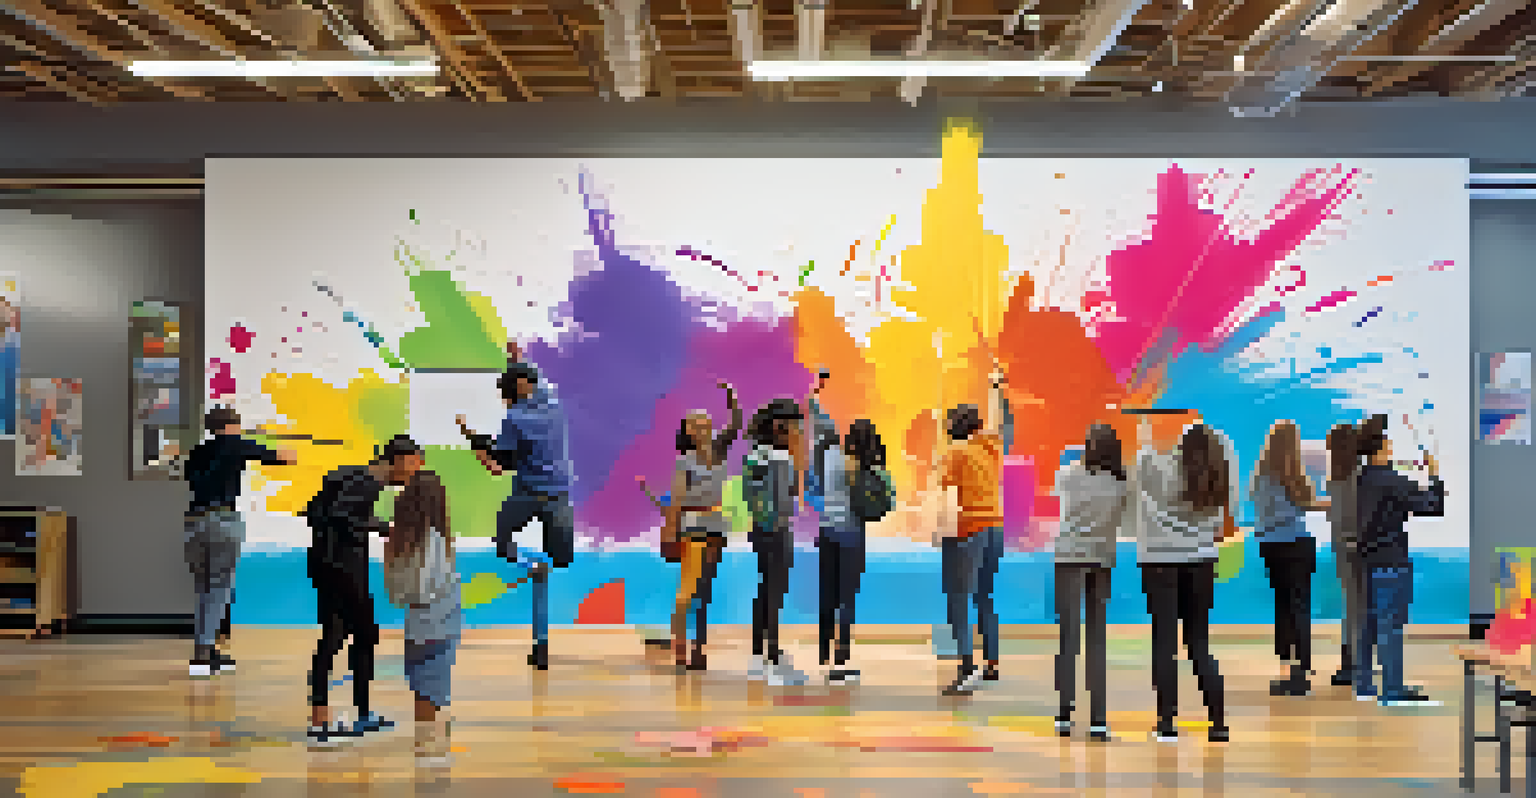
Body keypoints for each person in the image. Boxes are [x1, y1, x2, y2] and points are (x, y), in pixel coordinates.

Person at [305, 435, 424, 744]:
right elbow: (341, 515)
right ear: (398, 460)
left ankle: (325, 717)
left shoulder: (350, 474)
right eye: (413, 464)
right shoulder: (369, 482)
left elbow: (313, 510)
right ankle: (358, 715)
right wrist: (384, 527)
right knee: (364, 634)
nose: (413, 472)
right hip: (343, 565)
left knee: (335, 634)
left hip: (323, 562)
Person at [460, 361, 574, 672]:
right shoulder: (554, 404)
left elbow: (499, 466)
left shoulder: (514, 417)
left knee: (502, 541)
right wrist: (516, 357)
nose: (504, 401)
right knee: (560, 560)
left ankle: (530, 565)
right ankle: (541, 642)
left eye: (505, 395)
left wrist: (472, 440)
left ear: (515, 390)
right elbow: (532, 379)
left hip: (526, 494)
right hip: (559, 494)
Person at [1133, 415, 1234, 743]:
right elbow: (1222, 523)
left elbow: (1143, 459)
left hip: (1159, 563)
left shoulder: (1160, 470)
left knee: (1164, 642)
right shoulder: (1218, 480)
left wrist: (1145, 430)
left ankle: (1166, 723)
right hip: (1201, 563)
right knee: (1199, 643)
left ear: (1182, 448)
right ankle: (1218, 723)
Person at [181, 406, 295, 677]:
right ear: (234, 424)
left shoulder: (198, 451)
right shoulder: (236, 444)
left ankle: (205, 649)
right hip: (222, 522)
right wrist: (272, 439)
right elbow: (286, 458)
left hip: (193, 524)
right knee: (219, 586)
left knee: (204, 588)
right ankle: (203, 655)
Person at [1354, 414, 1444, 706]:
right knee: (1391, 624)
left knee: (1368, 623)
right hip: (1391, 561)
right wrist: (1434, 476)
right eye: (1388, 441)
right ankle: (1392, 690)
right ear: (1381, 448)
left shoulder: (1363, 478)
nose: (1392, 444)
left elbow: (1390, 484)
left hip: (1365, 561)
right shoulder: (1393, 481)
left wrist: (1403, 472)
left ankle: (1365, 685)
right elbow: (1433, 506)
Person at [653, 381, 742, 671]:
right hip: (693, 527)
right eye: (696, 426)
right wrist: (670, 533)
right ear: (688, 431)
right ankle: (680, 648)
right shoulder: (684, 462)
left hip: (716, 526)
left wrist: (731, 395)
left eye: (706, 425)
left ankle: (699, 650)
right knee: (688, 590)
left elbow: (736, 424)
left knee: (704, 591)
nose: (703, 430)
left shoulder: (719, 454)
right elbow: (677, 500)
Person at [1052, 423, 1130, 741]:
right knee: (1096, 639)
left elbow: (1063, 485)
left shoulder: (1069, 475)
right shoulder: (1120, 483)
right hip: (1101, 560)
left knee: (1068, 638)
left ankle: (1064, 716)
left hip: (1068, 558)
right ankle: (1098, 719)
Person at [937, 363, 1008, 697]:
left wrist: (942, 533)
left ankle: (966, 667)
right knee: (985, 596)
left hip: (967, 531)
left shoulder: (954, 452)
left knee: (957, 599)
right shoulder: (990, 447)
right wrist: (996, 387)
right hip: (995, 528)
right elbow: (997, 421)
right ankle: (992, 663)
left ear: (955, 426)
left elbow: (949, 497)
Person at [383, 467, 461, 765]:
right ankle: (431, 753)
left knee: (421, 686)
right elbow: (428, 584)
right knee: (435, 688)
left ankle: (424, 749)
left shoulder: (400, 539)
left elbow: (395, 589)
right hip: (439, 621)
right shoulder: (434, 539)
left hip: (414, 623)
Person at [1251, 420, 1331, 697]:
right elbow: (1309, 503)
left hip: (1270, 546)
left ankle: (1286, 668)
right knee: (1301, 606)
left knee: (1283, 606)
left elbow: (1259, 508)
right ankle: (1303, 669)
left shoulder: (1259, 476)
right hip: (1297, 544)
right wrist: (1337, 503)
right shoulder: (1294, 474)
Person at [743, 397, 807, 686]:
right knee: (773, 591)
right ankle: (768, 658)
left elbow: (757, 493)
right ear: (780, 426)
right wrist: (776, 521)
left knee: (770, 590)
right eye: (796, 426)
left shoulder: (767, 454)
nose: (800, 432)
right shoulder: (771, 457)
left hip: (769, 529)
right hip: (774, 530)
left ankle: (764, 654)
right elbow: (770, 498)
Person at [828, 419, 893, 686]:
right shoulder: (875, 468)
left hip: (830, 532)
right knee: (847, 597)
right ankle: (841, 657)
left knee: (831, 594)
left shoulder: (836, 463)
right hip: (855, 534)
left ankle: (830, 654)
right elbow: (888, 499)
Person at [1325, 423, 1365, 687]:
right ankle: (1357, 664)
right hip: (1360, 545)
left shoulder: (1334, 477)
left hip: (1340, 545)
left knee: (1350, 605)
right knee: (1361, 607)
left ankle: (1348, 662)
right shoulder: (1361, 475)